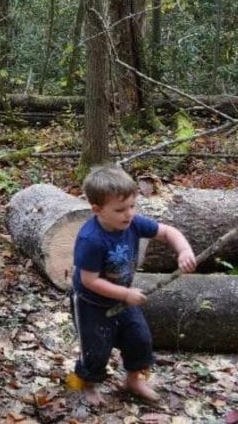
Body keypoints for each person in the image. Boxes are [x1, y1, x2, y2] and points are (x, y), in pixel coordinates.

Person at [69, 165, 196, 403]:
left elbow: (168, 232)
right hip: (91, 303)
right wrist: (125, 293)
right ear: (97, 210)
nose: (128, 214)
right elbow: (89, 280)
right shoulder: (91, 239)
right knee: (95, 349)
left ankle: (134, 379)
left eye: (132, 206)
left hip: (122, 298)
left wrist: (184, 250)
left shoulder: (133, 223)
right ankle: (85, 384)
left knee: (139, 338)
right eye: (120, 210)